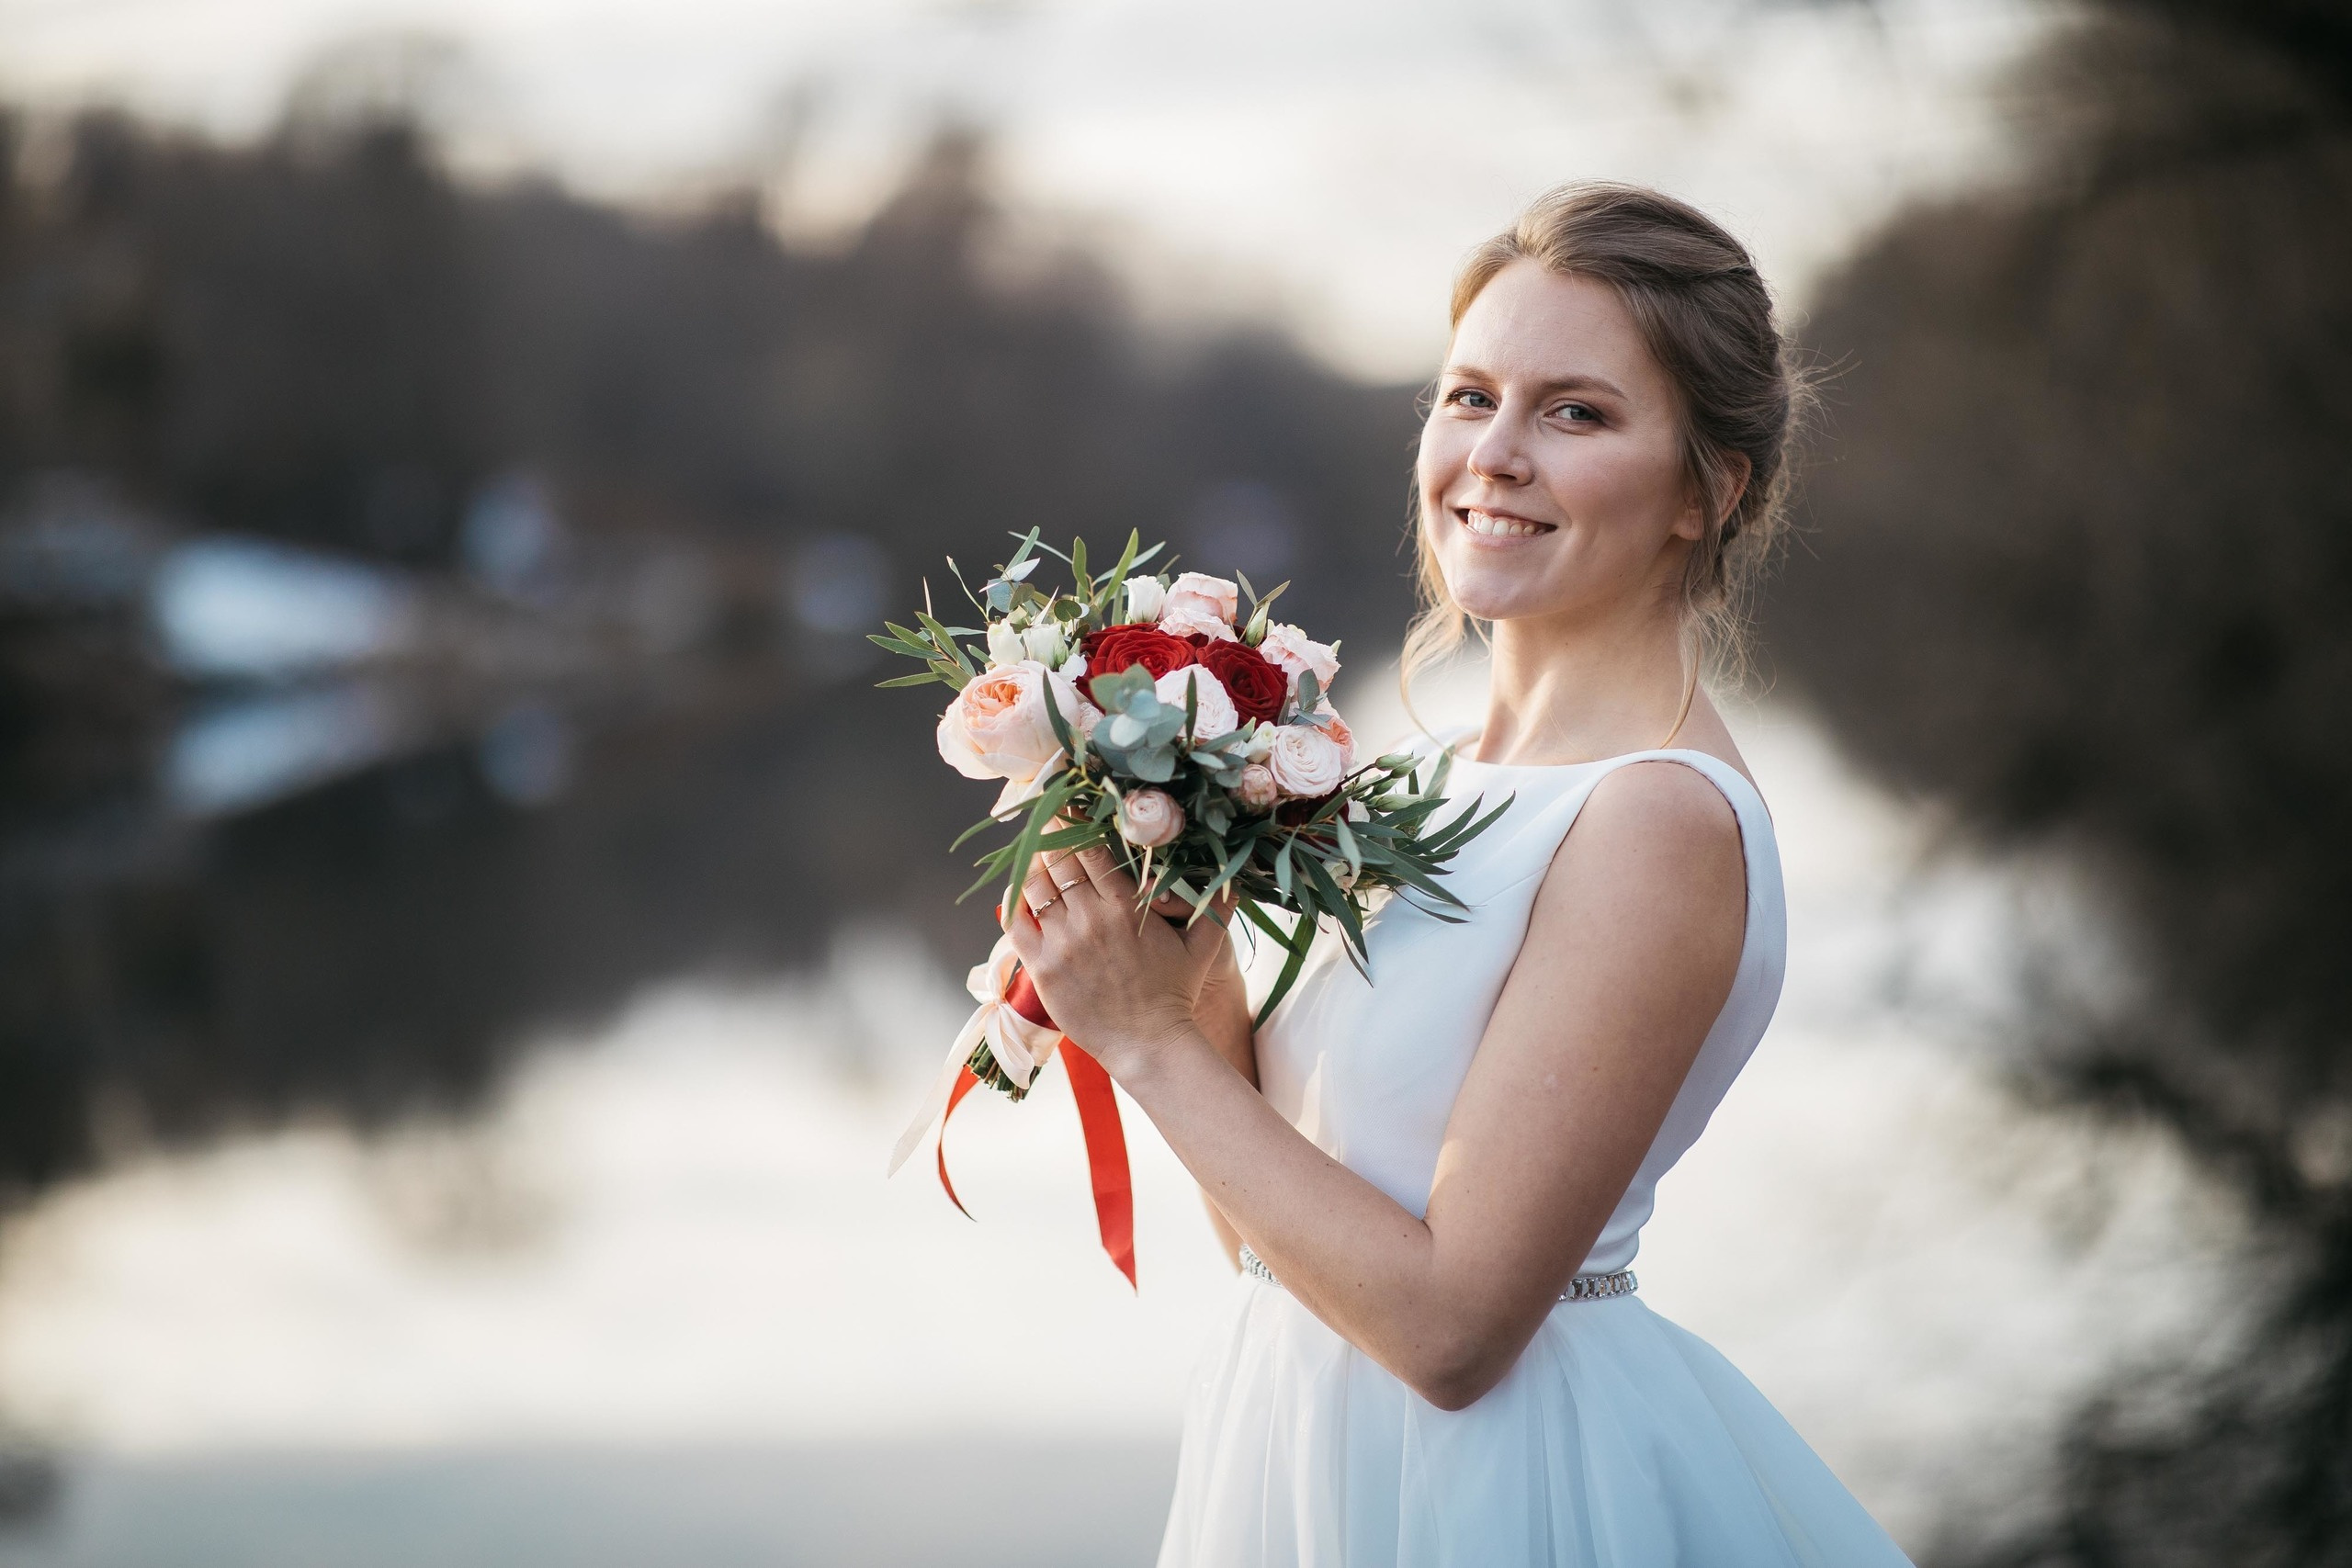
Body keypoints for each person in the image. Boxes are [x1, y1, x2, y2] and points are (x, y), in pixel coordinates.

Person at [1006, 183, 1914, 1568]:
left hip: (1498, 1487)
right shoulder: (1407, 778)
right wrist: (1176, 969)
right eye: (1468, 395)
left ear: (1706, 491)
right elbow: (1271, 1239)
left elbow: (1451, 1333)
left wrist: (1140, 1046)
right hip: (1301, 1442)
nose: (1493, 455)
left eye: (1577, 412)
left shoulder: (1657, 821)